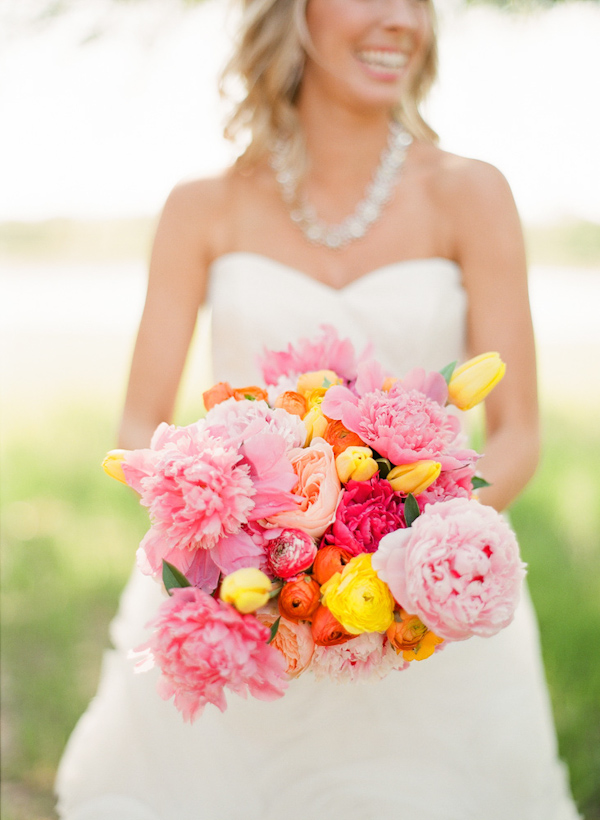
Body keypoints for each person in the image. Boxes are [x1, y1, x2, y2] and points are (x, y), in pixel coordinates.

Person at [55, 0, 582, 818]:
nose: (402, 20)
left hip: (425, 624)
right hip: (239, 597)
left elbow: (516, 432)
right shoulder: (203, 207)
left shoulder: (470, 195)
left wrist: (417, 555)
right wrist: (242, 545)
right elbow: (137, 429)